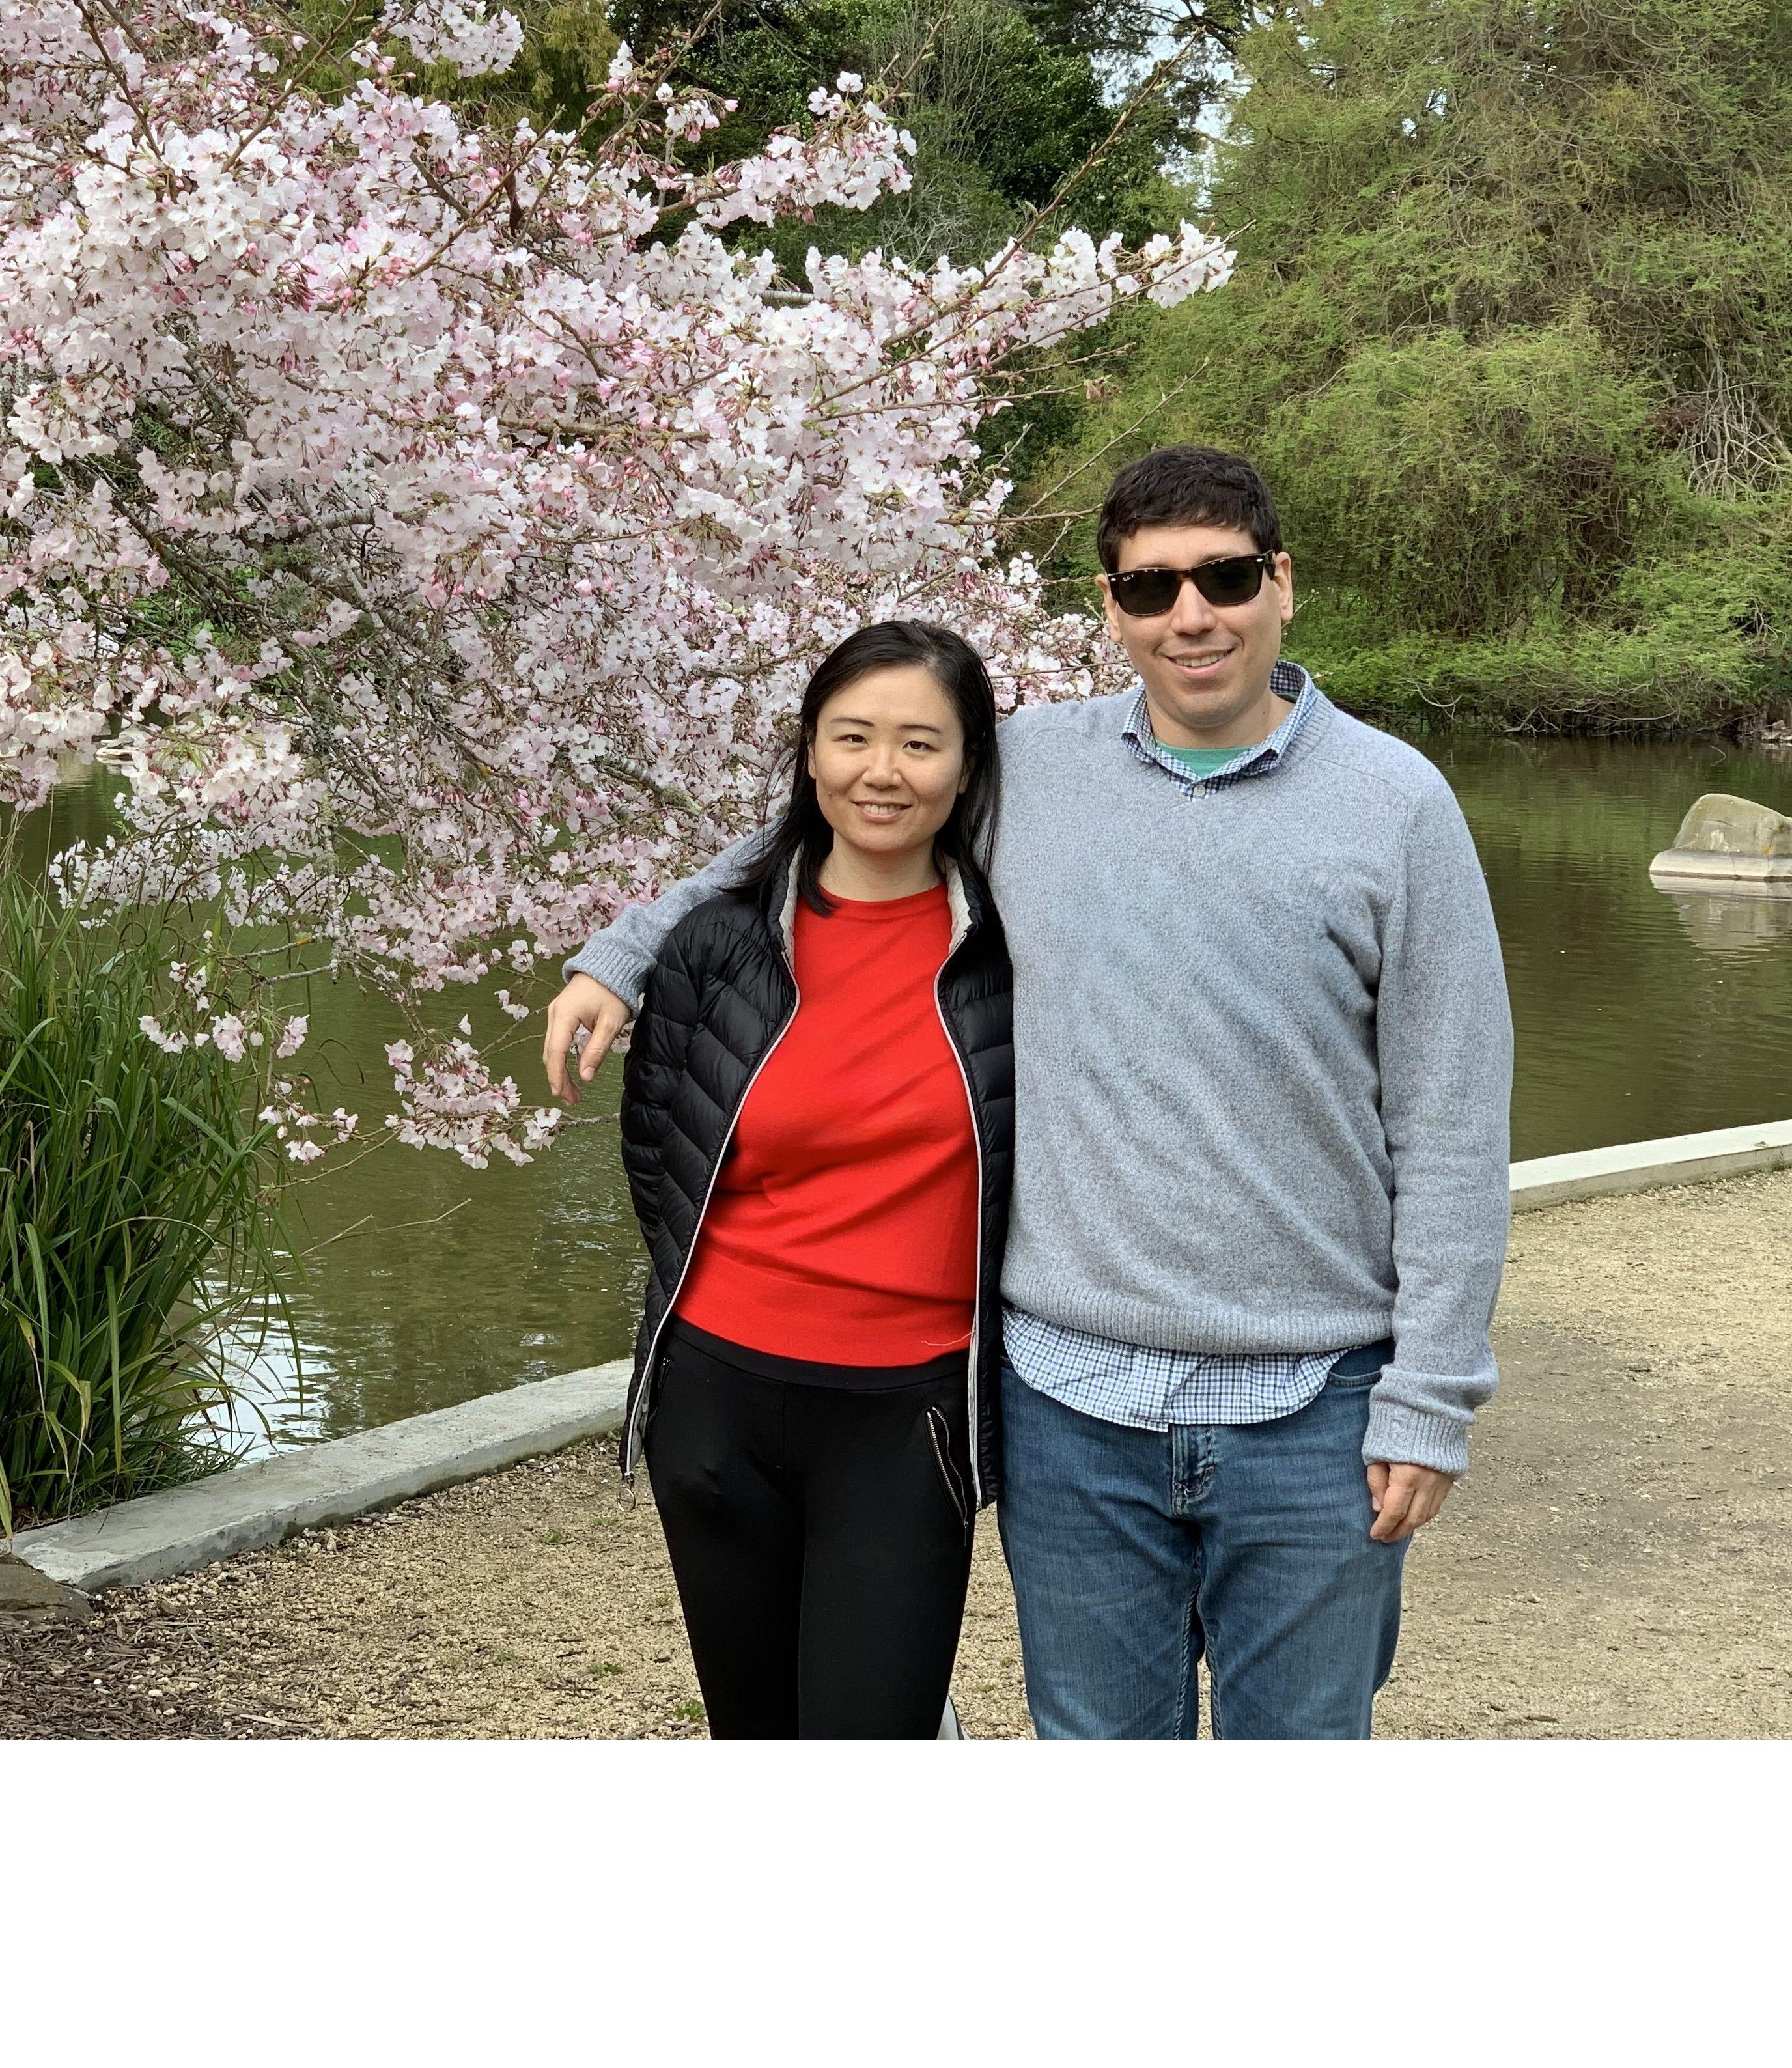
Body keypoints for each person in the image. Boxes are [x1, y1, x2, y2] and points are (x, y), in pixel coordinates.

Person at [548, 445, 1513, 1740]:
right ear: (1110, 609)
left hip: (1311, 1405)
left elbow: (1451, 1124)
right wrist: (623, 952)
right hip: (1067, 1402)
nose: (1192, 615)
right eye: (1152, 587)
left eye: (1225, 578)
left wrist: (1431, 1395)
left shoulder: (1396, 804)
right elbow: (817, 828)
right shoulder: (1030, 772)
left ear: (1282, 585)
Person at [606, 619, 1012, 1739]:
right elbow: (661, 1153)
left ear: (968, 764)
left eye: (921, 744)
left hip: (906, 1415)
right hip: (720, 1401)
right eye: (854, 738)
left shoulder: (1010, 953)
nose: (882, 773)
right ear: (810, 753)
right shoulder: (718, 946)